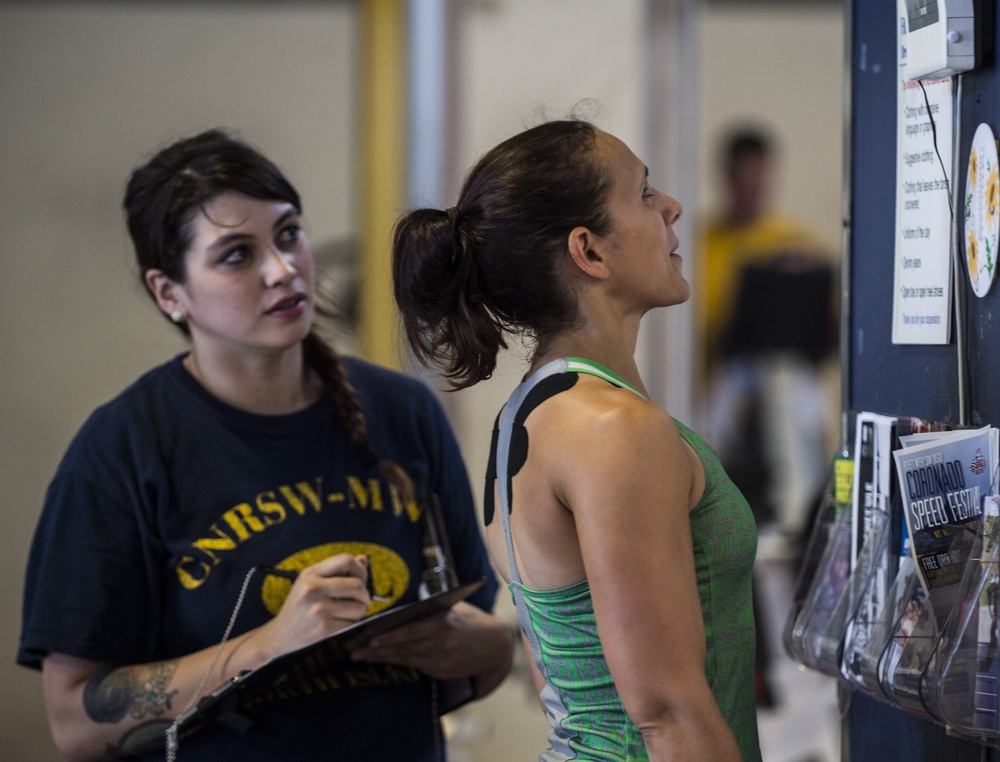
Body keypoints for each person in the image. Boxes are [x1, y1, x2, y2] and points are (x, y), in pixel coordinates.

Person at [17, 129, 513, 762]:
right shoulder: (122, 449)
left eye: (287, 235)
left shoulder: (403, 411)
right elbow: (73, 722)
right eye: (235, 255)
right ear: (170, 293)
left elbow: (469, 631)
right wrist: (269, 643)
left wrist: (494, 648)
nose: (282, 271)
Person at [392, 119, 761, 761]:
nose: (673, 206)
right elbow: (668, 714)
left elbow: (569, 682)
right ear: (589, 252)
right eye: (645, 193)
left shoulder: (528, 417)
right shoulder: (612, 429)